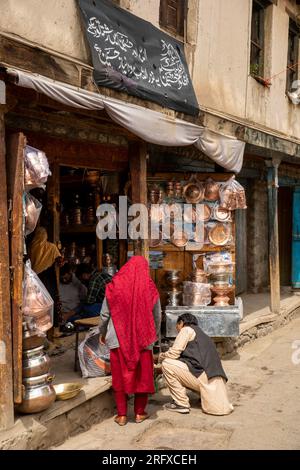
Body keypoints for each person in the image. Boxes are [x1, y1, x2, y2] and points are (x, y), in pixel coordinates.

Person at [99, 256, 161, 426]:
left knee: (119, 377)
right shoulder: (149, 287)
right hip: (143, 338)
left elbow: (105, 315)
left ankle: (122, 415)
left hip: (117, 338)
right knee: (142, 376)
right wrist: (153, 337)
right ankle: (140, 413)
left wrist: (102, 332)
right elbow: (157, 316)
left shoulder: (114, 286)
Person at [159, 313, 233, 416]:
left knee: (167, 364)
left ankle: (181, 404)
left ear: (181, 323)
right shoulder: (203, 335)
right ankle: (201, 396)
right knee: (186, 367)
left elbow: (173, 354)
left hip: (204, 377)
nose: (178, 331)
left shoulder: (186, 329)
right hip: (216, 379)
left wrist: (159, 357)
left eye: (177, 327)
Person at [28, 226, 63, 327]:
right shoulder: (51, 247)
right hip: (47, 278)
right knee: (49, 301)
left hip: (34, 278)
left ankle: (37, 326)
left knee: (36, 303)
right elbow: (59, 261)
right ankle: (50, 325)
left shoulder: (31, 247)